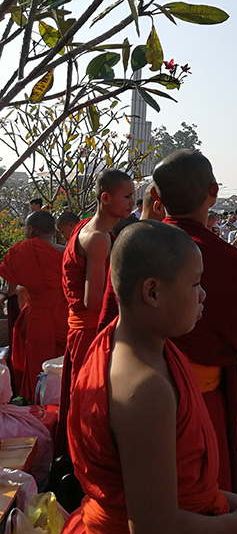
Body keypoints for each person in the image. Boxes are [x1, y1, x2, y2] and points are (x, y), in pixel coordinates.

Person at [58, 221, 237, 534]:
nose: (203, 294)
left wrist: (221, 497)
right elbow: (155, 532)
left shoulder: (134, 342)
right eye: (195, 283)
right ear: (152, 292)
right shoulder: (143, 389)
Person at [153, 149, 237, 493]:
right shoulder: (227, 259)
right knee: (203, 495)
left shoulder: (136, 249)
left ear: (157, 197)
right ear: (213, 192)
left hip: (135, 397)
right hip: (201, 402)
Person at [58, 169, 135, 455]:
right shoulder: (100, 238)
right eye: (126, 196)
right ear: (105, 197)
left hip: (82, 328)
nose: (131, 203)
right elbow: (94, 302)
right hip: (91, 330)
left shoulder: (84, 227)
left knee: (81, 402)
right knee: (91, 408)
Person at [0, 211, 67, 402]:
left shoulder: (21, 251)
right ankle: (64, 400)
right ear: (53, 230)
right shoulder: (66, 252)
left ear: (30, 229)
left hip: (38, 316)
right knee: (62, 359)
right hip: (65, 314)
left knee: (39, 362)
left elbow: (11, 289)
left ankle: (37, 401)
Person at [98, 182, 166, 331]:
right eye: (127, 196)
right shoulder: (141, 242)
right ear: (159, 207)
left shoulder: (130, 237)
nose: (133, 202)